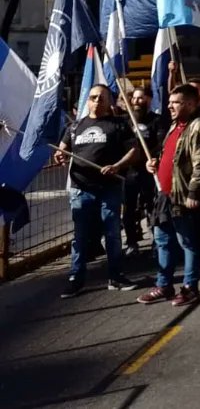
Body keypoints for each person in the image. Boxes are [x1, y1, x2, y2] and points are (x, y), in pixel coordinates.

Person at [138, 84, 200, 307]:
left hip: (183, 196)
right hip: (165, 195)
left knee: (188, 243)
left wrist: (194, 192)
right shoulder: (176, 125)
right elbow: (171, 155)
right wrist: (155, 163)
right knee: (163, 241)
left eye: (176, 102)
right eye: (170, 102)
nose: (169, 106)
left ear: (191, 104)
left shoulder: (199, 126)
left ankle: (190, 287)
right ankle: (164, 285)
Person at [56, 85, 140, 298]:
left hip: (109, 188)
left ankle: (115, 276)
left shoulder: (119, 125)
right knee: (80, 236)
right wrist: (60, 155)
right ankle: (76, 278)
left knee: (112, 233)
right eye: (93, 97)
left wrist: (118, 165)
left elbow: (134, 150)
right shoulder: (75, 127)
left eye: (101, 98)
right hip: (80, 189)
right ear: (87, 101)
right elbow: (62, 147)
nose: (96, 101)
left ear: (109, 101)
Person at [123, 86, 160, 256]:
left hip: (150, 171)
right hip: (129, 173)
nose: (137, 101)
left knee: (152, 206)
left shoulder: (156, 120)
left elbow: (160, 144)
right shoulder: (125, 121)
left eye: (141, 98)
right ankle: (132, 242)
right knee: (130, 208)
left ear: (149, 100)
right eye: (135, 98)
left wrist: (149, 158)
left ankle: (156, 240)